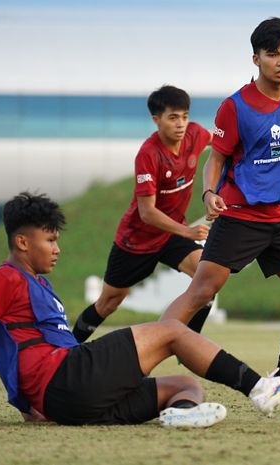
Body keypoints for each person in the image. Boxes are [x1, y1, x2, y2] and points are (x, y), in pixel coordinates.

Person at [0, 192, 280, 428]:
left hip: (71, 400)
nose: (56, 249)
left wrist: (26, 402)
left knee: (186, 385)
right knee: (171, 331)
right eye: (49, 240)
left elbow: (19, 347)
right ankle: (259, 388)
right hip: (66, 380)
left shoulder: (41, 285)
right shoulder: (0, 279)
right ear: (21, 241)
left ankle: (183, 416)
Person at [159, 17, 280, 401]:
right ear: (256, 59)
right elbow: (214, 159)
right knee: (202, 291)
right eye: (273, 54)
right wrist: (209, 194)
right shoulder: (234, 107)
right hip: (240, 215)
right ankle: (137, 355)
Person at [72, 85, 214, 343]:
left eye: (185, 116)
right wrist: (187, 231)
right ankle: (66, 350)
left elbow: (222, 143)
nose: (181, 124)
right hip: (137, 240)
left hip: (171, 234)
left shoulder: (195, 135)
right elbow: (147, 212)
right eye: (173, 117)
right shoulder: (149, 155)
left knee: (208, 277)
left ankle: (190, 345)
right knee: (108, 302)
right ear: (156, 120)